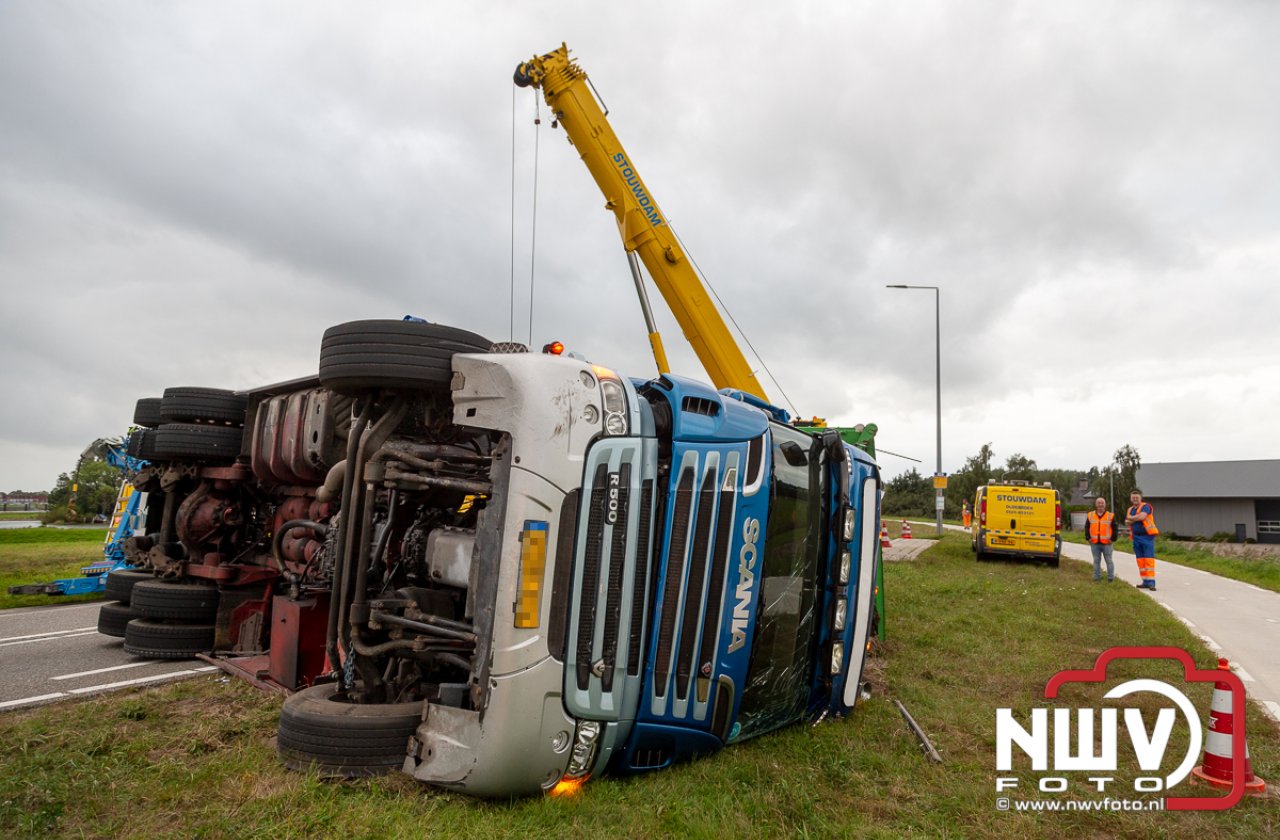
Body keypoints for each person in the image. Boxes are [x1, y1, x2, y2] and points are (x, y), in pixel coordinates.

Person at [1126, 489, 1159, 591]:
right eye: (1133, 497)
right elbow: (1127, 521)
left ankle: (1151, 583)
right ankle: (1145, 581)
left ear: (1141, 498)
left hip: (1147, 536)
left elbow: (1142, 517)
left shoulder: (1146, 506)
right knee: (1140, 561)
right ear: (1131, 498)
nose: (1135, 499)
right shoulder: (1130, 509)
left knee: (1148, 560)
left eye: (1137, 497)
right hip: (1136, 537)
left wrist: (1132, 518)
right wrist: (1133, 518)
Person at [1085, 496, 1116, 582]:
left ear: (1105, 504)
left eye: (1102, 503)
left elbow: (1115, 528)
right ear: (1096, 504)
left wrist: (1113, 539)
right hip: (1094, 543)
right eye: (1099, 503)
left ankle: (1110, 578)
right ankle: (1096, 578)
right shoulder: (1090, 515)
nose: (1100, 504)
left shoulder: (1110, 516)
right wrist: (1088, 538)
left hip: (1107, 543)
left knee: (1109, 561)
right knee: (1096, 561)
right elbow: (1087, 527)